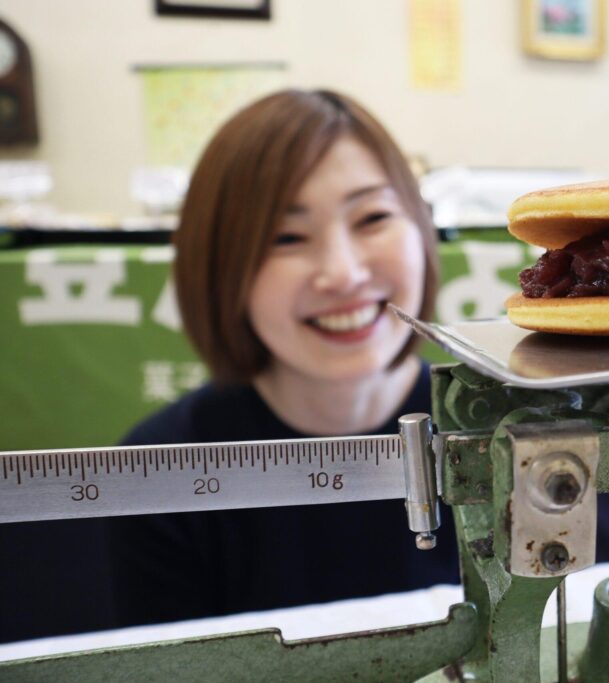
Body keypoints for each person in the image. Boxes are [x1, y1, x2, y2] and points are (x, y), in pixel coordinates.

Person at [107, 89, 459, 626]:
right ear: (221, 269)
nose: (342, 273)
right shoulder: (155, 476)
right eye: (287, 236)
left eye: (372, 218)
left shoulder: (512, 434)